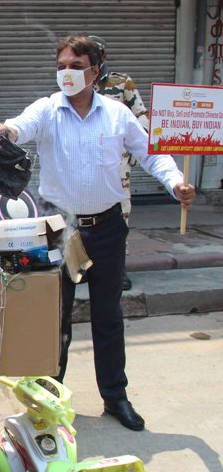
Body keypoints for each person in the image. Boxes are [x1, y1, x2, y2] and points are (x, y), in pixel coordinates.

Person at [0, 34, 195, 432]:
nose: (67, 73)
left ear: (95, 73)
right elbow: (20, 127)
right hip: (57, 229)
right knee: (55, 319)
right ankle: (50, 398)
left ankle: (115, 397)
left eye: (76, 67)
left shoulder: (116, 114)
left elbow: (151, 152)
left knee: (108, 316)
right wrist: (5, 130)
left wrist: (176, 184)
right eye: (62, 65)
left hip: (107, 228)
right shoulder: (47, 109)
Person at [90, 35, 150, 291]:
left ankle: (118, 270)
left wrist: (135, 153)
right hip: (86, 161)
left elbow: (141, 117)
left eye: (95, 56)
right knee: (84, 214)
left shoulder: (121, 83)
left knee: (120, 215)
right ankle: (83, 267)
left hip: (118, 163)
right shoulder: (76, 84)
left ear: (103, 58)